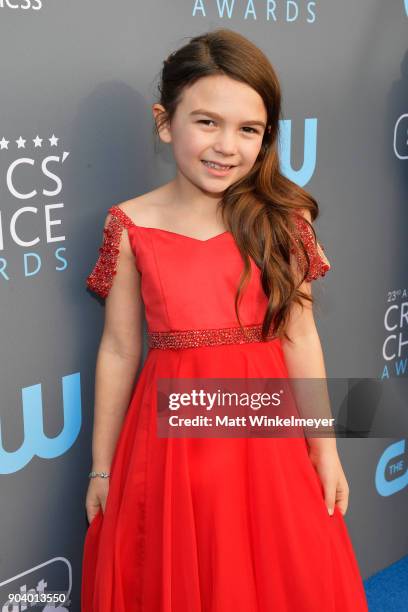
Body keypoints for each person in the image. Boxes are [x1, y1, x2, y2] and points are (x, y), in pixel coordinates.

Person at [81, 28, 368, 612]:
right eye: (206, 121)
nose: (226, 146)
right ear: (165, 122)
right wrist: (103, 468)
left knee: (278, 573)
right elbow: (117, 350)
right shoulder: (130, 225)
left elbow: (301, 336)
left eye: (249, 129)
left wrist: (326, 448)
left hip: (268, 438)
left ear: (265, 139)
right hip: (169, 446)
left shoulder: (283, 222)